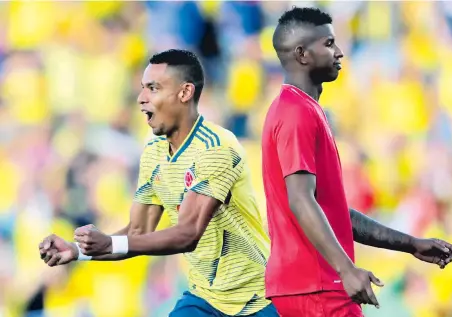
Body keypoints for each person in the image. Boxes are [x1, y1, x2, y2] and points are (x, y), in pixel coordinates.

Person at [38, 49, 278, 317]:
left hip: (256, 299)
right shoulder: (154, 153)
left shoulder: (217, 148)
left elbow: (188, 234)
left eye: (153, 88)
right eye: (142, 89)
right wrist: (76, 251)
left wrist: (109, 244)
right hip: (206, 298)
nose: (142, 99)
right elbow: (138, 231)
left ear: (185, 93)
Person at [261, 7, 452, 317]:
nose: (339, 52)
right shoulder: (295, 112)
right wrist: (346, 268)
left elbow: (334, 211)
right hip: (316, 287)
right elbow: (300, 200)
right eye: (328, 44)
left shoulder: (305, 110)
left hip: (314, 285)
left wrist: (410, 244)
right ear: (302, 54)